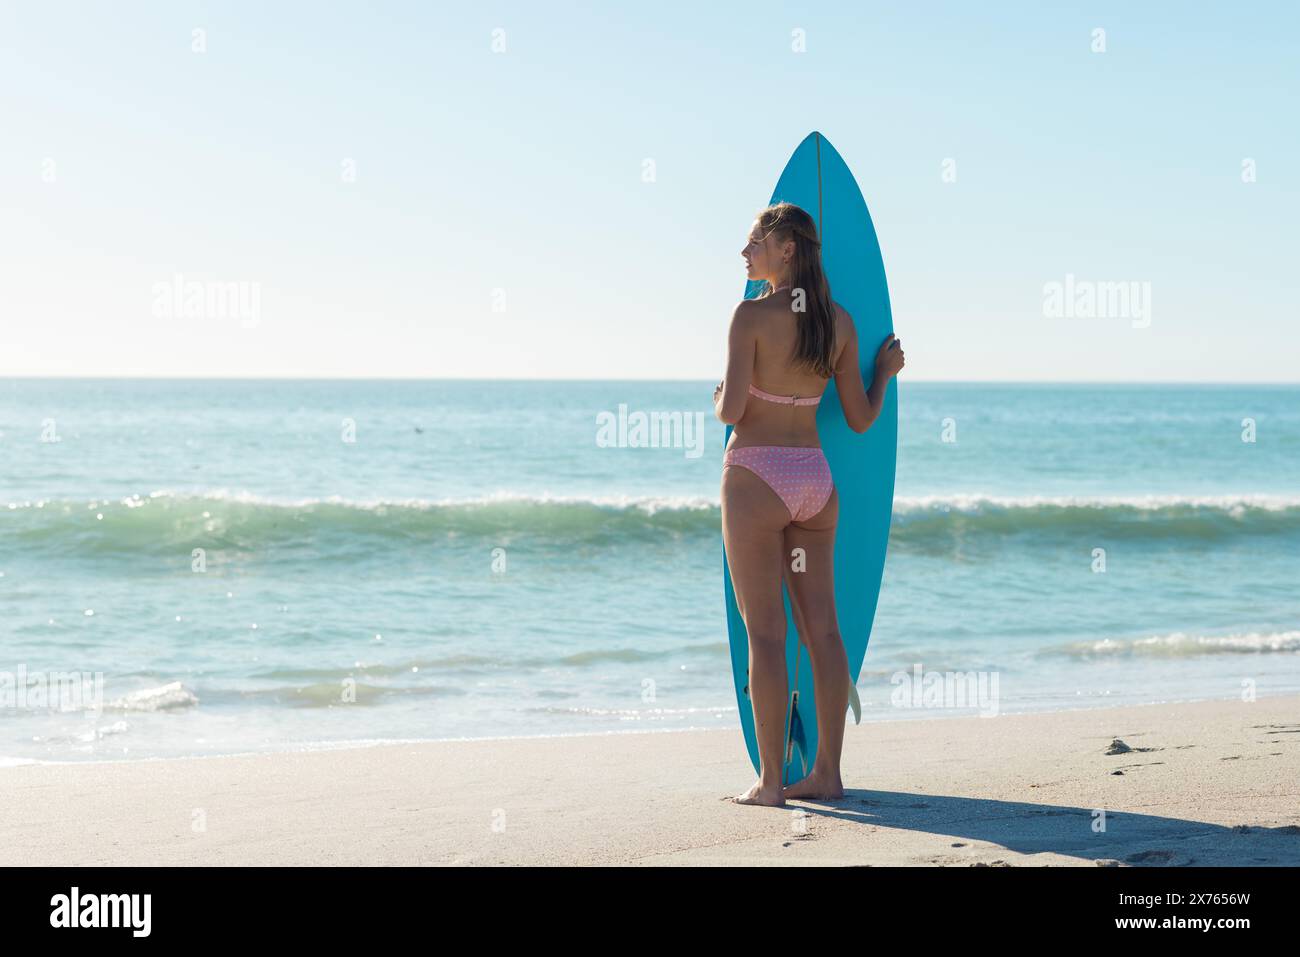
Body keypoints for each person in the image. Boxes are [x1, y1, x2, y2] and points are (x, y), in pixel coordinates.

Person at [714, 201, 904, 806]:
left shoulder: (750, 315)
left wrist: (720, 394)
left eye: (753, 244)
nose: (745, 255)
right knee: (823, 631)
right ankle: (828, 774)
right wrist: (885, 373)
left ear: (786, 248)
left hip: (756, 477)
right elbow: (860, 417)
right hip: (814, 483)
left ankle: (771, 784)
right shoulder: (839, 323)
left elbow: (733, 412)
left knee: (765, 637)